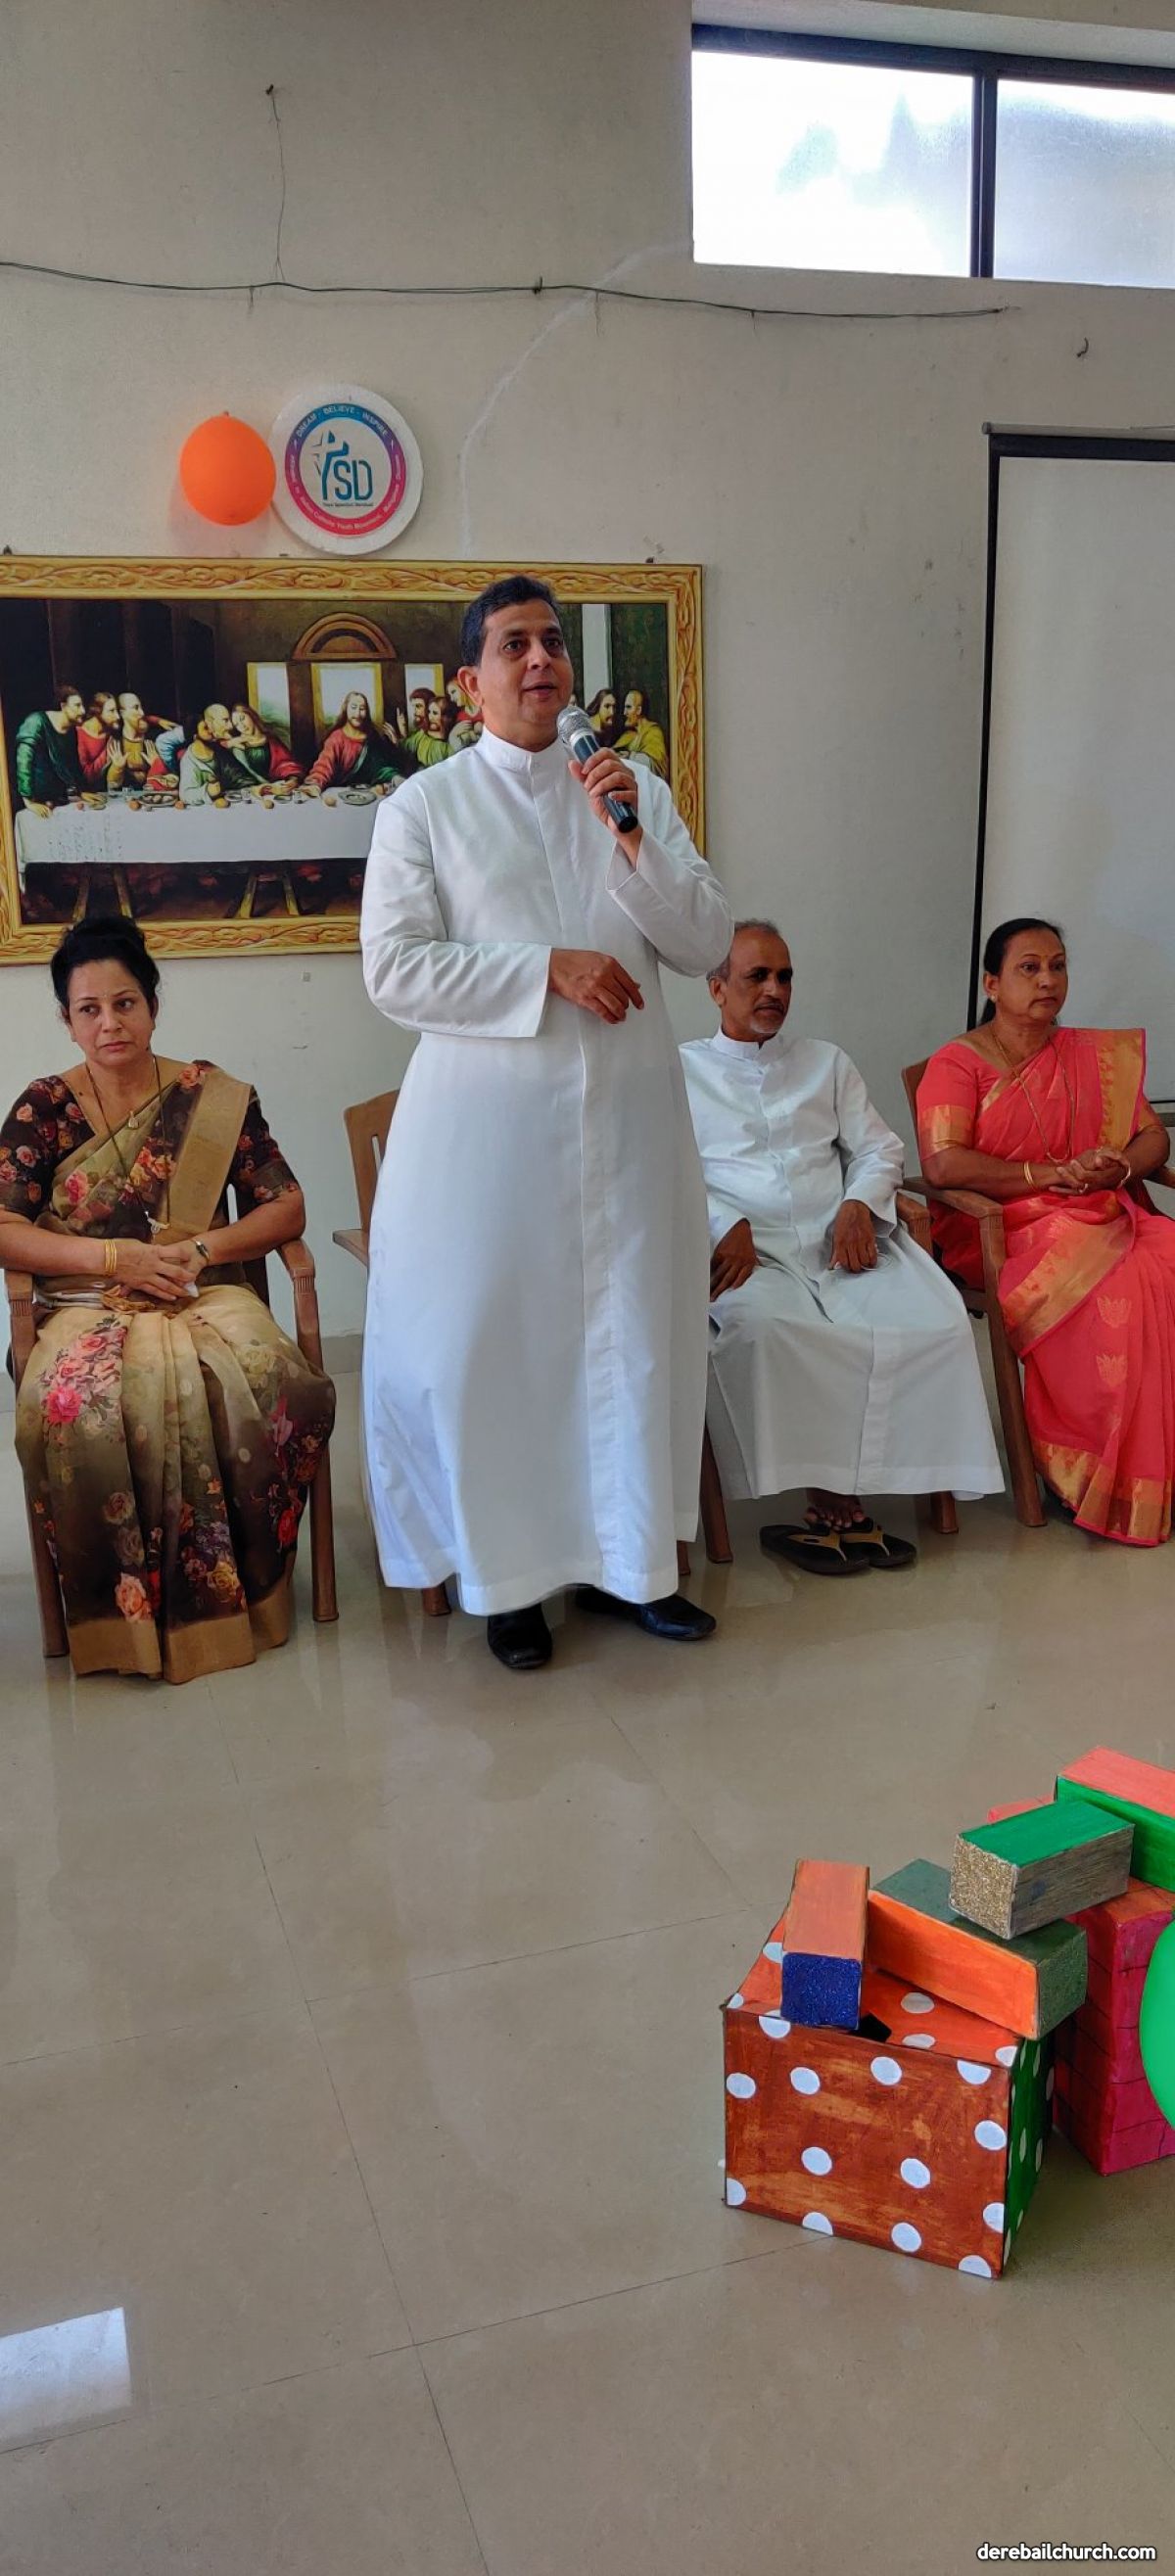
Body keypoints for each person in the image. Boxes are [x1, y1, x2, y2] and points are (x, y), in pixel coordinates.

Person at [360, 572, 732, 1668]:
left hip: (628, 1127)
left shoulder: (633, 789)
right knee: (501, 1350)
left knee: (630, 1341)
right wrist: (544, 970)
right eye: (514, 644)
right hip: (490, 1143)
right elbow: (394, 969)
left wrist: (634, 842)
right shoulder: (424, 807)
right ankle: (509, 1583)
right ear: (469, 682)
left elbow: (706, 943)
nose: (540, 661)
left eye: (554, 643)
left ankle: (635, 1569)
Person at [0, 917, 335, 1681]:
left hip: (200, 1289)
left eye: (125, 1003)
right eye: (89, 1009)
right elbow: (4, 1227)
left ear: (152, 1005)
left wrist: (201, 1250)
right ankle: (121, 1622)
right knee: (83, 1406)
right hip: (83, 1302)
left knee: (270, 1377)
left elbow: (286, 1205)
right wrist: (114, 1257)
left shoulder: (210, 1096)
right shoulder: (43, 1108)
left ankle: (249, 1591)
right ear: (67, 1020)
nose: (109, 1023)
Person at [682, 922, 1002, 1571]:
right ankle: (827, 1491)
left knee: (935, 1321)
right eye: (757, 976)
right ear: (716, 988)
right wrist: (720, 1223)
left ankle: (881, 1484)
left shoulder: (825, 1061)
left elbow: (880, 1148)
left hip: (839, 1240)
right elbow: (663, 1169)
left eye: (785, 976)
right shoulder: (680, 1071)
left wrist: (859, 1202)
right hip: (748, 1253)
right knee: (765, 1331)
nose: (775, 990)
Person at [917, 915, 1175, 1546]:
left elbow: (1151, 1136)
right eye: (1029, 968)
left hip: (1104, 1209)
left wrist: (1119, 1168)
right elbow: (943, 1164)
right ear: (992, 983)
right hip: (1005, 1227)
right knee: (1119, 1290)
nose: (1048, 980)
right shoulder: (959, 1062)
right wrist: (1049, 1173)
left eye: (1057, 966)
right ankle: (1088, 1473)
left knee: (1165, 1258)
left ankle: (1161, 1468)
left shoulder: (1094, 1057)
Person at [304, 689, 405, 796]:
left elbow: (380, 768)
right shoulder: (336, 738)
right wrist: (315, 784)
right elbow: (324, 766)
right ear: (346, 709)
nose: (357, 714)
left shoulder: (371, 737)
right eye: (353, 707)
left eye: (362, 709)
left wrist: (394, 777)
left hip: (368, 795)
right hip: (339, 795)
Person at [15, 685, 87, 811]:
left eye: (82, 705)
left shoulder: (71, 731)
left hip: (60, 799)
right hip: (37, 801)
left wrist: (82, 791)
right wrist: (28, 800)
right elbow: (23, 761)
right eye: (77, 705)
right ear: (63, 706)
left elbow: (73, 764)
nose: (83, 711)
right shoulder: (36, 722)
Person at [224, 703, 304, 793]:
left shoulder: (271, 741)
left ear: (251, 715)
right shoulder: (237, 746)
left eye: (242, 719)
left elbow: (286, 764)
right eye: (237, 725)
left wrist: (293, 780)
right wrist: (229, 743)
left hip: (277, 789)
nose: (242, 726)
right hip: (252, 792)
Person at [178, 703, 234, 805]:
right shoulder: (189, 761)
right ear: (195, 736)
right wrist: (207, 791)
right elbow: (185, 794)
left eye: (210, 725)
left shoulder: (220, 750)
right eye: (206, 728)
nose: (211, 729)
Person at [77, 692, 127, 793]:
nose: (117, 716)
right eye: (111, 711)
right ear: (97, 712)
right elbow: (86, 776)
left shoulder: (111, 734)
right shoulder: (78, 734)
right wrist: (107, 751)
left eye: (116, 711)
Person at [616, 686, 668, 780]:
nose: (624, 713)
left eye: (628, 707)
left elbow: (656, 766)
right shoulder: (628, 735)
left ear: (639, 710)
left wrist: (630, 756)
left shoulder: (653, 732)